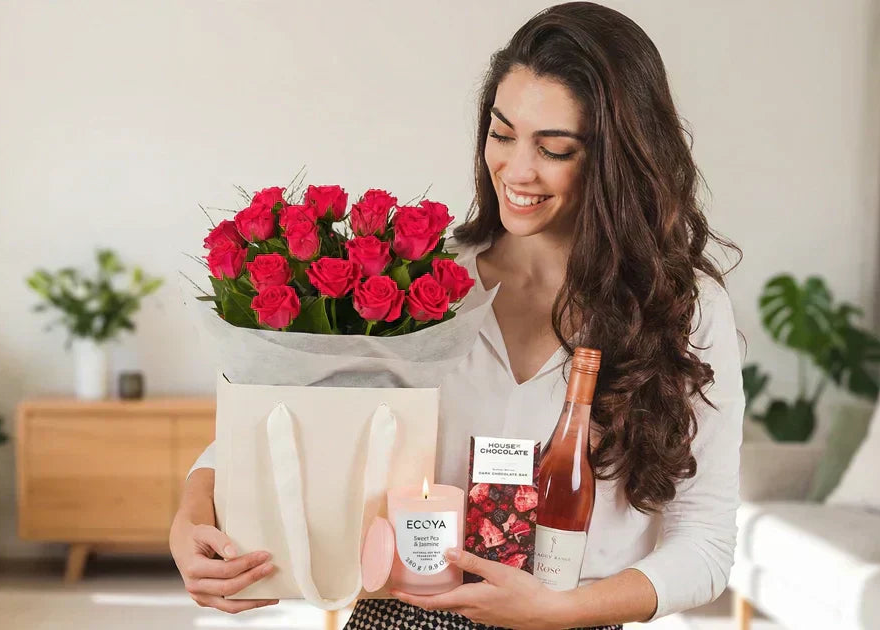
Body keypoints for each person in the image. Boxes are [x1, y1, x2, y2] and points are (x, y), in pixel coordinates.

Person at [169, 3, 745, 628]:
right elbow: (293, 420)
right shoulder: (419, 284)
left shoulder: (684, 310)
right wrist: (190, 517)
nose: (517, 171)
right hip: (401, 618)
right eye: (502, 134)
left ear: (618, 160)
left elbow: (706, 543)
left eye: (554, 149)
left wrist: (562, 609)